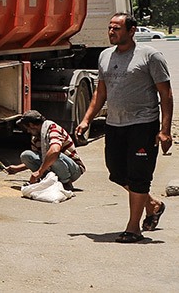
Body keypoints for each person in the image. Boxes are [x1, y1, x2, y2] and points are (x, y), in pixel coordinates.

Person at [75, 12, 173, 243]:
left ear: (131, 30)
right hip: (114, 124)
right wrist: (87, 119)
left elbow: (166, 94)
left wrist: (165, 130)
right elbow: (100, 92)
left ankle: (133, 228)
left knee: (139, 176)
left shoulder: (150, 56)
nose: (111, 32)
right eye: (110, 28)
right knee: (117, 172)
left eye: (117, 28)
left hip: (143, 124)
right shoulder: (105, 56)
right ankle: (152, 204)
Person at [4, 109, 85, 187]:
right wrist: (17, 169)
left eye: (28, 128)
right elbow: (39, 158)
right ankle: (46, 179)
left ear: (32, 125)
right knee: (26, 155)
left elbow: (54, 151)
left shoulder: (53, 129)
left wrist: (39, 172)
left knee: (53, 155)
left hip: (73, 169)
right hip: (54, 165)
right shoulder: (35, 138)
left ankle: (66, 182)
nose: (28, 131)